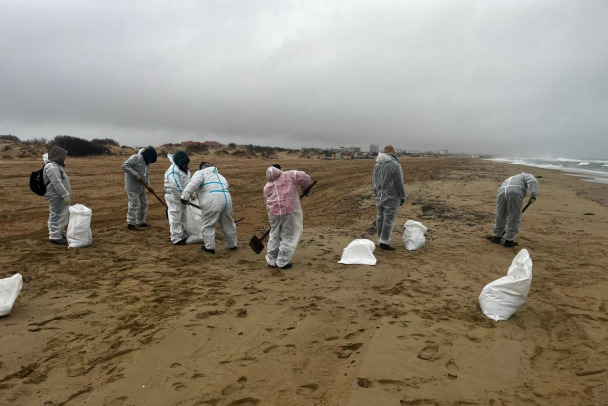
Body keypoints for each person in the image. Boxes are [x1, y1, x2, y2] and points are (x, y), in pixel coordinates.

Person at [180, 162, 237, 254]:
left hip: (212, 200)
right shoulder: (220, 176)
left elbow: (192, 184)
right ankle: (232, 244)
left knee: (208, 224)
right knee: (228, 223)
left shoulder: (201, 173)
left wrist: (184, 197)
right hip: (227, 200)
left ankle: (209, 247)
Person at [263, 164, 312, 269]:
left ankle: (271, 260)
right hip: (290, 211)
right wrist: (306, 189)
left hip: (273, 213)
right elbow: (305, 177)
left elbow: (266, 202)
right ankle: (282, 261)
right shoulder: (290, 175)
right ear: (280, 170)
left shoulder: (267, 185)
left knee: (274, 235)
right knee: (289, 235)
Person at [373, 145, 406, 250]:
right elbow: (399, 182)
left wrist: (376, 194)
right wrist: (402, 196)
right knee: (388, 220)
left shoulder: (377, 165)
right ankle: (384, 242)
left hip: (380, 196)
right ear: (393, 153)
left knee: (380, 218)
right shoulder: (395, 165)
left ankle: (381, 239)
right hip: (392, 197)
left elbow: (374, 182)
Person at [491, 173, 539, 247]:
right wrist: (533, 195)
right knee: (514, 216)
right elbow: (533, 181)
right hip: (515, 192)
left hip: (501, 192)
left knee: (500, 214)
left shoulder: (510, 178)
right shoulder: (526, 175)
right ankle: (509, 240)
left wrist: (496, 210)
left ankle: (496, 237)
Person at [122, 147, 157, 230]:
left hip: (141, 187)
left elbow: (146, 175)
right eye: (150, 160)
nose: (150, 162)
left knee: (144, 203)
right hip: (132, 186)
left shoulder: (146, 164)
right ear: (147, 156)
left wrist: (148, 186)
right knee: (135, 204)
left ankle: (141, 221)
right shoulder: (135, 158)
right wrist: (135, 175)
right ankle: (131, 223)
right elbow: (124, 166)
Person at [43, 146, 71, 244]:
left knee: (62, 213)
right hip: (56, 195)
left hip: (59, 195)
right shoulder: (51, 166)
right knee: (56, 214)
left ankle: (59, 232)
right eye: (63, 156)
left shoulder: (56, 165)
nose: (64, 158)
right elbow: (56, 182)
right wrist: (64, 194)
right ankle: (54, 236)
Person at [164, 151, 191, 245]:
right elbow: (175, 186)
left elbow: (189, 183)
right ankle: (176, 238)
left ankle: (183, 235)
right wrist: (183, 197)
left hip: (183, 196)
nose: (186, 165)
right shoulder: (173, 170)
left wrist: (191, 193)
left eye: (187, 163)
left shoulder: (186, 170)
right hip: (173, 196)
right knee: (175, 216)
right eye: (184, 164)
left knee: (183, 215)